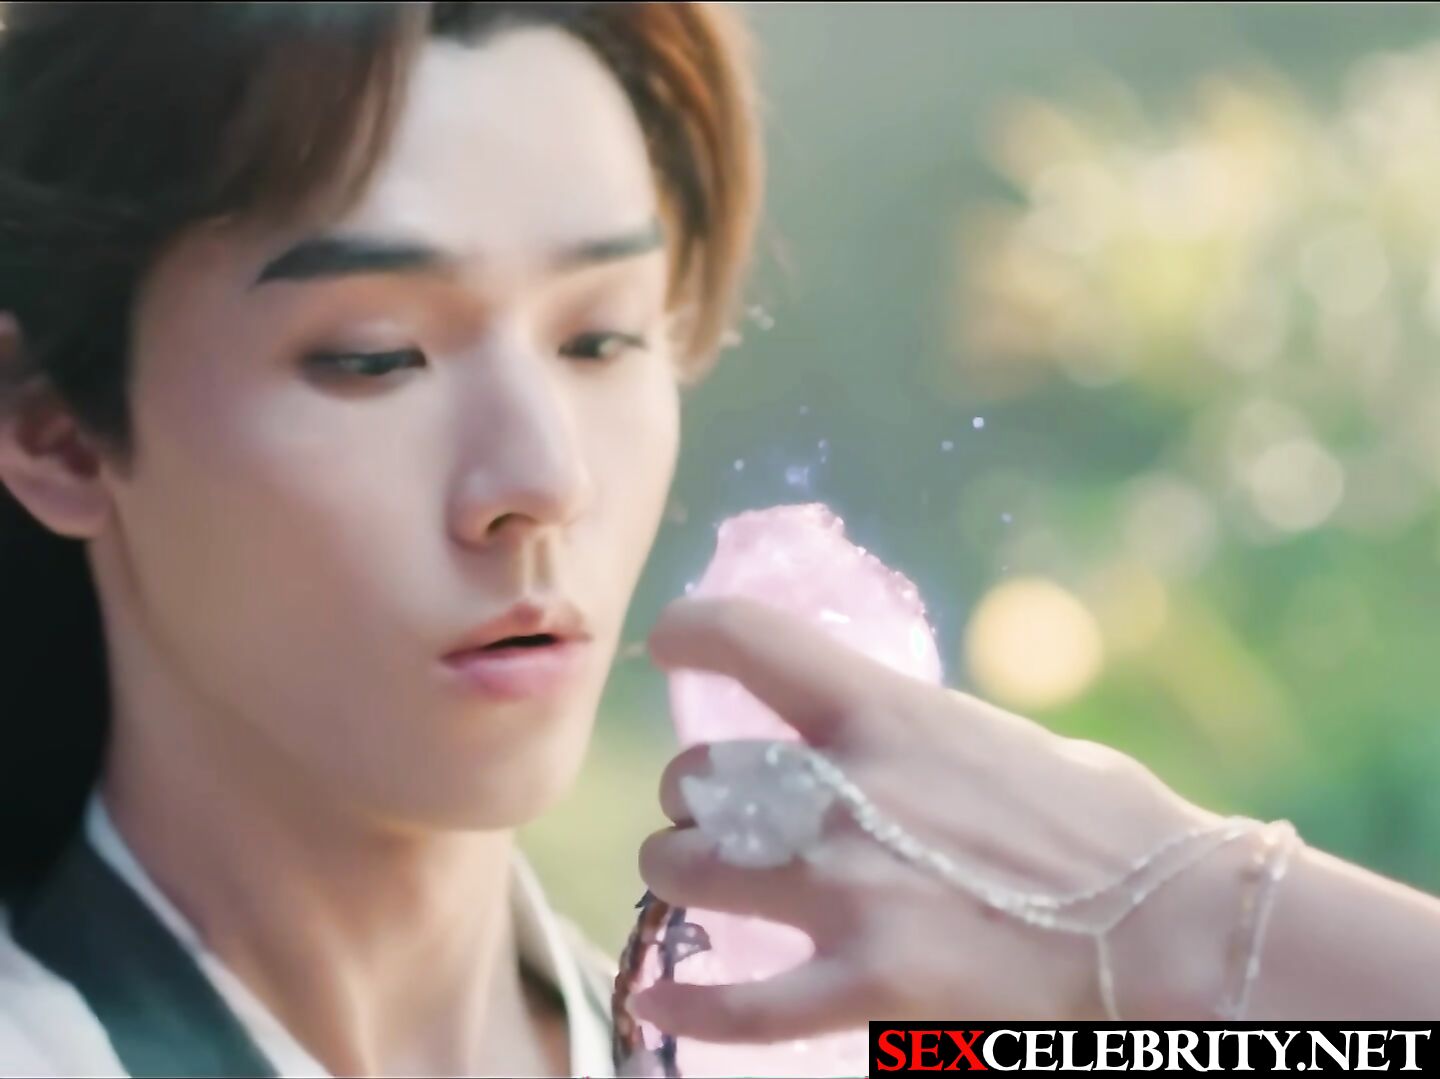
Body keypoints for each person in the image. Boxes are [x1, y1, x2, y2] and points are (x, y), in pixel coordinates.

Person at [1, 3, 1438, 1078]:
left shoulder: (807, 1043)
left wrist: (1190, 918)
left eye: (601, 337)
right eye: (375, 356)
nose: (542, 478)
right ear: (55, 427)